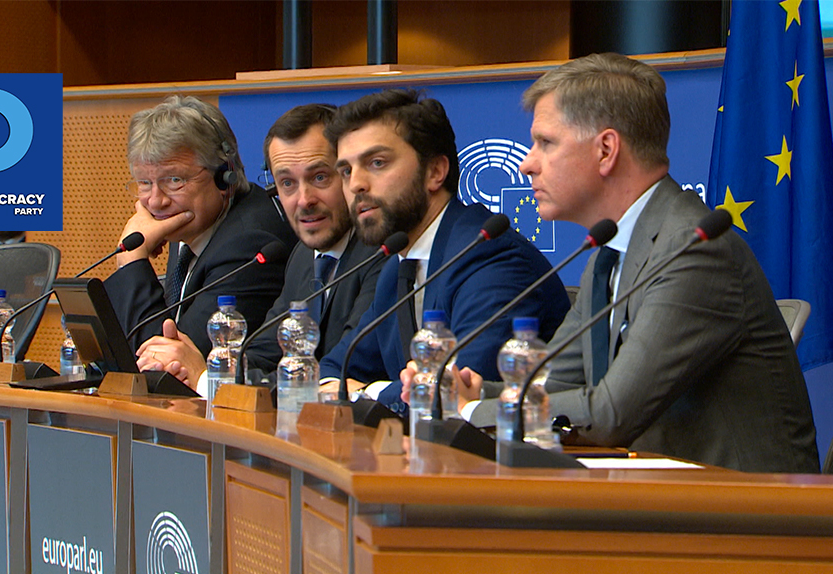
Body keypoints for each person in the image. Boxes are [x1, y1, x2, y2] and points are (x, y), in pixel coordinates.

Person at [403, 53, 819, 473]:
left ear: (606, 150)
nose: (527, 163)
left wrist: (474, 411)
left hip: (748, 516)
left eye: (545, 143)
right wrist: (473, 391)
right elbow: (561, 384)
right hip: (662, 499)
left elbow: (610, 413)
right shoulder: (610, 249)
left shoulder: (691, 250)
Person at [318, 89, 571, 415]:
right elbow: (332, 371)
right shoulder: (398, 265)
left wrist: (369, 391)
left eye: (376, 163)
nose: (356, 185)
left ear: (435, 172)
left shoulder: (492, 258)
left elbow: (456, 392)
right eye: (346, 171)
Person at [136, 104, 389, 391]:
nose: (304, 200)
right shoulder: (304, 257)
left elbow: (339, 375)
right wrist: (207, 370)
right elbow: (261, 355)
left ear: (349, 176)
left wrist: (207, 378)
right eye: (287, 183)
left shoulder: (379, 254)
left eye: (319, 177)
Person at [104, 96, 297, 357]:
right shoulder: (188, 226)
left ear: (224, 178)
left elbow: (164, 365)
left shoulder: (250, 244)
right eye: (144, 183)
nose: (155, 201)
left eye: (174, 180)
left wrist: (132, 261)